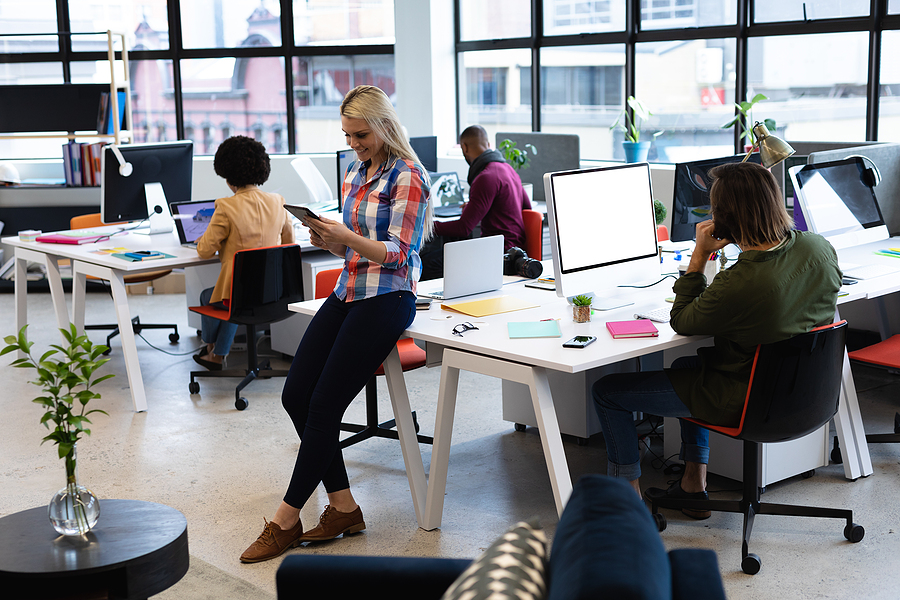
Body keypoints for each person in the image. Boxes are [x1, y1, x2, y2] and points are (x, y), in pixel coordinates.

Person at [239, 85, 432, 563]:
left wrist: (347, 236)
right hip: (348, 289)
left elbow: (398, 253)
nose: (354, 143)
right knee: (295, 395)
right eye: (348, 135)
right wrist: (332, 239)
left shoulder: (409, 176)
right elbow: (353, 248)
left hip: (388, 296)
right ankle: (343, 506)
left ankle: (286, 518)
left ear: (385, 127)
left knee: (324, 404)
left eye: (361, 134)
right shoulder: (354, 171)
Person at [592, 161, 841, 516]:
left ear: (726, 218)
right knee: (686, 365)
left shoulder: (741, 281)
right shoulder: (818, 248)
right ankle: (694, 484)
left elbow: (681, 320)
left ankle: (626, 500)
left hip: (747, 399)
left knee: (607, 392)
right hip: (803, 395)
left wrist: (699, 254)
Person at [193, 135, 294, 371]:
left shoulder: (226, 206)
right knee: (235, 297)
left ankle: (211, 350)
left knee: (212, 297)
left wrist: (209, 238)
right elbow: (289, 244)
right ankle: (216, 354)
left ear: (228, 178)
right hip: (272, 292)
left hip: (238, 297)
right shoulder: (278, 201)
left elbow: (204, 251)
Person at [420, 124, 532, 280]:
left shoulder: (485, 177)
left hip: (497, 253)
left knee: (426, 263)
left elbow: (463, 228)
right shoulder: (508, 169)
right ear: (488, 145)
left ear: (464, 147)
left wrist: (427, 225)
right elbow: (527, 208)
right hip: (516, 251)